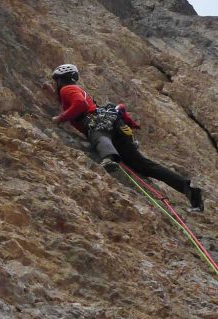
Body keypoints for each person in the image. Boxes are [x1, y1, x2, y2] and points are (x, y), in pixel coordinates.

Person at [50, 63, 204, 211]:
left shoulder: (67, 89)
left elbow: (80, 105)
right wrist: (49, 93)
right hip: (116, 128)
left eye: (55, 81)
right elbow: (71, 102)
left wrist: (60, 118)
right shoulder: (70, 91)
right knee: (144, 165)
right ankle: (189, 190)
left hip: (100, 125)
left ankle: (110, 157)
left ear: (59, 79)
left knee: (98, 136)